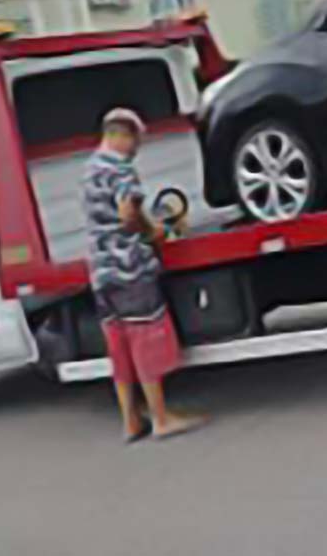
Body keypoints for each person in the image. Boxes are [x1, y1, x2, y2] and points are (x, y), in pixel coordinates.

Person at [82, 107, 205, 442]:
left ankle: (130, 421)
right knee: (145, 337)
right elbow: (127, 214)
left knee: (118, 345)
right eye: (137, 140)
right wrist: (152, 233)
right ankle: (162, 419)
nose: (138, 148)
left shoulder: (90, 168)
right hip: (128, 268)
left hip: (100, 271)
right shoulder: (122, 170)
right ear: (124, 135)